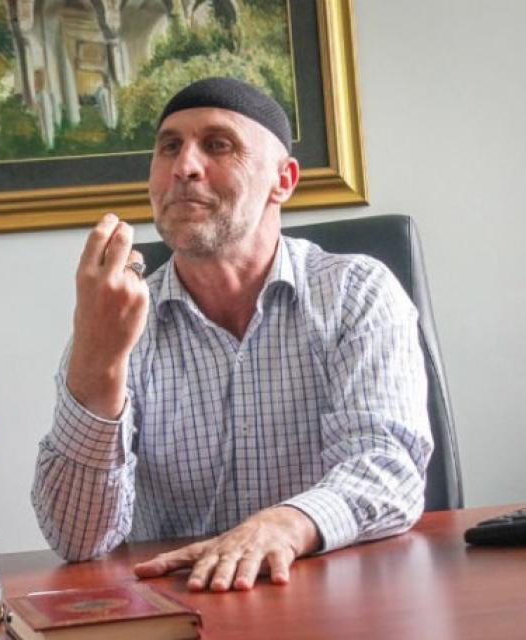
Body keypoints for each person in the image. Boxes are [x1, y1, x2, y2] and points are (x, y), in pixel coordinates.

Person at [31, 77, 433, 592]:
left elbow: (388, 468)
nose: (184, 167)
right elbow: (77, 539)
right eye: (169, 147)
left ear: (283, 180)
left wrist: (283, 525)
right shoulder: (117, 322)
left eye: (218, 145)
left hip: (333, 596)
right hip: (182, 603)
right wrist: (99, 360)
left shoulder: (357, 293)